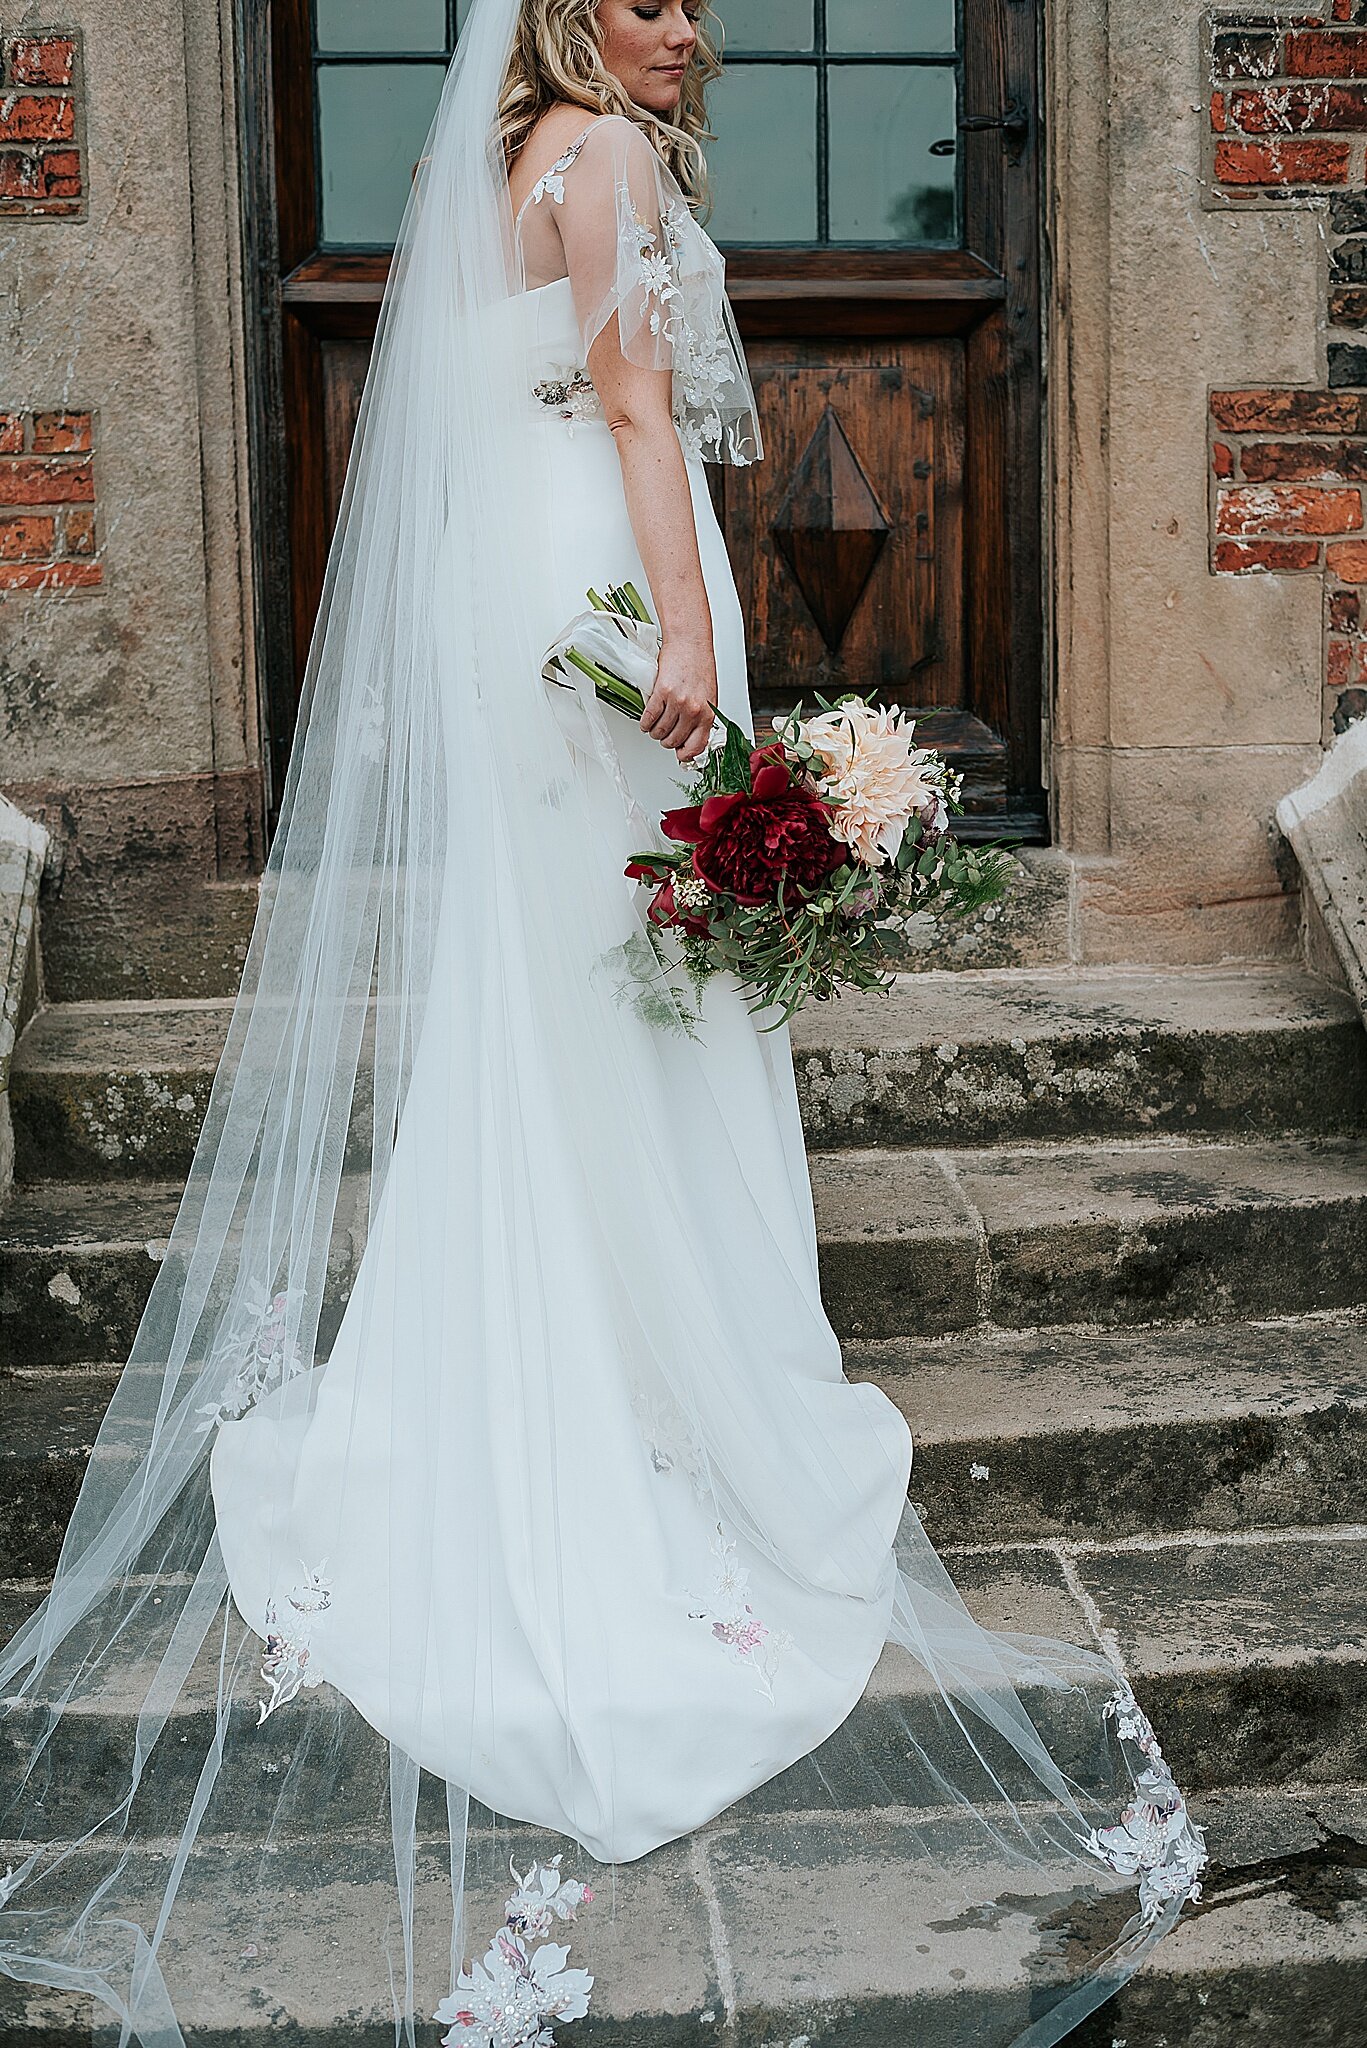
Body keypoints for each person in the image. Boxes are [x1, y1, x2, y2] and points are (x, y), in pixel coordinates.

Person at [0, 6, 1205, 2046]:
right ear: (568, 3)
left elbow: (489, 401)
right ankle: (672, 1366)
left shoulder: (493, 155)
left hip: (504, 595)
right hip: (599, 593)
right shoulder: (612, 161)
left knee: (559, 987)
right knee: (656, 980)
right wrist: (680, 631)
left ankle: (568, 1329)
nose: (681, 29)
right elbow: (640, 416)